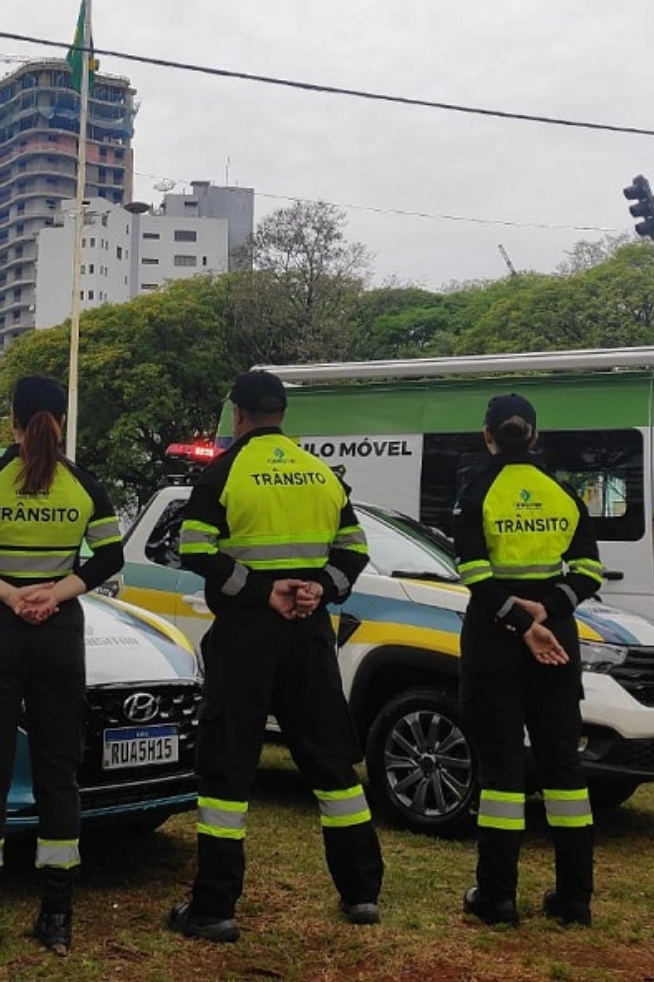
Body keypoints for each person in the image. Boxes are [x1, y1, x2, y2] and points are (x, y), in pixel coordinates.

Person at [168, 368, 384, 943]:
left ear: (238, 415)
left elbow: (194, 548)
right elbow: (355, 550)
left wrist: (263, 589)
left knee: (227, 768)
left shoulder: (224, 470)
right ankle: (362, 891)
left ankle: (214, 907)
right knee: (332, 764)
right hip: (310, 631)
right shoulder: (321, 474)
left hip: (246, 635)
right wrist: (322, 588)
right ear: (283, 413)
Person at [0, 374, 123, 953]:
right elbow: (110, 557)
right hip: (58, 635)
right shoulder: (85, 486)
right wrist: (55, 593)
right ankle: (57, 918)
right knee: (58, 775)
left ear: (12, 422)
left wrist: (10, 595)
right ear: (61, 422)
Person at [453, 393, 603, 929]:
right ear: (534, 436)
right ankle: (575, 897)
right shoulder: (562, 492)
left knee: (501, 770)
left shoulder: (477, 490)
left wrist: (522, 622)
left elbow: (472, 573)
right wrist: (550, 609)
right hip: (556, 642)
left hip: (497, 641)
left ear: (486, 434)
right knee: (564, 766)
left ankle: (496, 897)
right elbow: (589, 570)